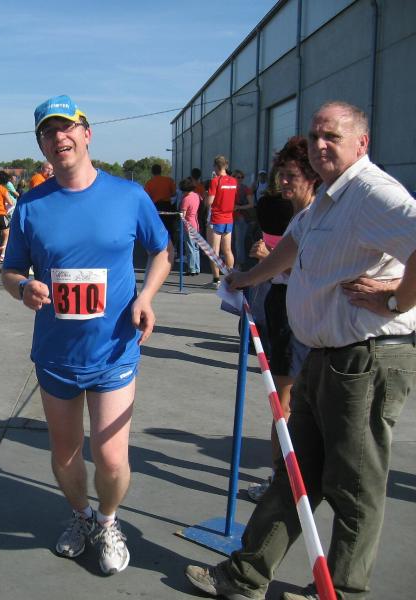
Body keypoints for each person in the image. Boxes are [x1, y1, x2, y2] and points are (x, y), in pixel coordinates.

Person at [184, 100, 416, 600]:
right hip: (326, 355)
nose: (320, 145)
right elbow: (291, 247)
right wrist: (246, 278)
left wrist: (397, 298)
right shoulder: (329, 198)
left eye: (332, 136)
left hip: (367, 357)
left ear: (362, 142)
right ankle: (246, 575)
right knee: (294, 471)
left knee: (353, 483)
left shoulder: (372, 192)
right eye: (314, 136)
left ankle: (340, 591)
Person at [2, 95, 172, 575]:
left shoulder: (128, 196)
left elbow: (162, 251)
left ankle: (109, 520)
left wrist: (146, 296)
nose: (59, 137)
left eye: (67, 128)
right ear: (42, 145)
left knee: (112, 459)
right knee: (65, 453)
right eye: (48, 132)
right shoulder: (31, 205)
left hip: (114, 349)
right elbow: (10, 271)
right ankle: (81, 516)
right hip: (56, 353)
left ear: (86, 133)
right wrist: (24, 288)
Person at [243, 137, 317, 503]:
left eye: (291, 175)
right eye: (281, 174)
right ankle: (284, 478)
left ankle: (280, 482)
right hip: (286, 309)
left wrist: (266, 259)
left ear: (311, 177)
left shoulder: (315, 217)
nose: (283, 182)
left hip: (298, 314)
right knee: (286, 401)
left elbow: (308, 272)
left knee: (283, 403)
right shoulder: (300, 217)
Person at [205, 155, 238, 287]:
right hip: (229, 217)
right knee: (228, 250)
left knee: (214, 251)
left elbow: (209, 202)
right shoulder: (233, 181)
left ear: (216, 166)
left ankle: (216, 280)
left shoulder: (215, 181)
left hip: (216, 218)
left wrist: (206, 195)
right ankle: (230, 278)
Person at [144, 164, 178, 251]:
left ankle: (158, 247)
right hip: (168, 206)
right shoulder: (169, 180)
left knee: (157, 227)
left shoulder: (149, 183)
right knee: (170, 227)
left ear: (152, 172)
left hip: (156, 207)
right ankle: (171, 247)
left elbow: (146, 197)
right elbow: (174, 193)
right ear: (161, 171)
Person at [231, 170, 256, 270]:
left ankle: (240, 263)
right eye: (238, 177)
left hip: (240, 217)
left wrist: (238, 207)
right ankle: (233, 261)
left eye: (241, 177)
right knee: (232, 241)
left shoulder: (245, 189)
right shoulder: (230, 188)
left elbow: (251, 204)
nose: (240, 179)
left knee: (239, 242)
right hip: (230, 217)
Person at [178, 177, 201, 275]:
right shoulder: (196, 195)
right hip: (196, 223)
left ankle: (191, 268)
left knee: (190, 248)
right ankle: (197, 268)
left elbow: (182, 215)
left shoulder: (185, 199)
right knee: (196, 248)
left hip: (188, 225)